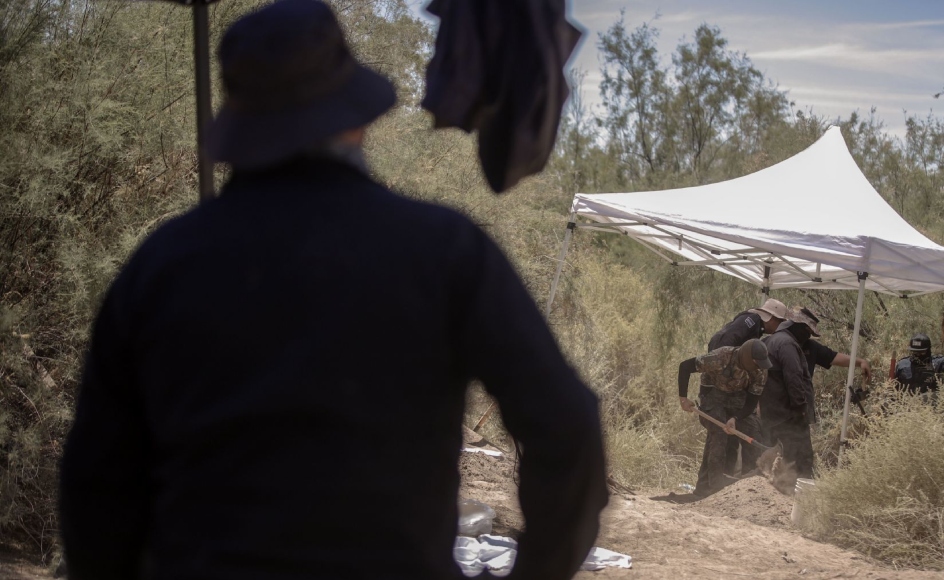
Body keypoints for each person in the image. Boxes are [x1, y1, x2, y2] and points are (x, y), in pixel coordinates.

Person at [58, 2, 608, 579]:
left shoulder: (160, 266)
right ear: (355, 119)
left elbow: (97, 480)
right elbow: (566, 426)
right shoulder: (443, 251)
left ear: (240, 127)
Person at [700, 297, 787, 478]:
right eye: (778, 322)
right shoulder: (750, 321)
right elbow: (723, 343)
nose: (778, 327)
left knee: (734, 432)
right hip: (720, 385)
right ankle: (712, 484)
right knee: (720, 437)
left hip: (731, 386)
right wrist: (726, 377)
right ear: (770, 318)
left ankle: (737, 480)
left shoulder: (755, 327)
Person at [677, 339, 772, 497]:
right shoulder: (720, 357)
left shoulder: (761, 370)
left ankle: (750, 487)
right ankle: (713, 489)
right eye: (757, 362)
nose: (760, 366)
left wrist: (735, 417)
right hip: (713, 396)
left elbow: (752, 401)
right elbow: (685, 366)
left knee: (753, 431)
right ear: (748, 359)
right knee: (719, 432)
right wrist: (683, 399)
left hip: (739, 400)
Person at [760, 308, 818, 479]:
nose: (808, 336)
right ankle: (799, 500)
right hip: (789, 417)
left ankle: (783, 496)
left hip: (774, 415)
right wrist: (800, 409)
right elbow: (794, 378)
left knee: (785, 460)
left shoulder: (770, 341)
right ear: (797, 326)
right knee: (802, 461)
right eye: (807, 331)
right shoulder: (787, 344)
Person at [895, 332, 944, 397]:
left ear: (928, 350)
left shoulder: (938, 363)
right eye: (915, 352)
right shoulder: (902, 365)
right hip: (907, 404)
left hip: (930, 405)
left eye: (921, 352)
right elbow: (894, 387)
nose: (918, 355)